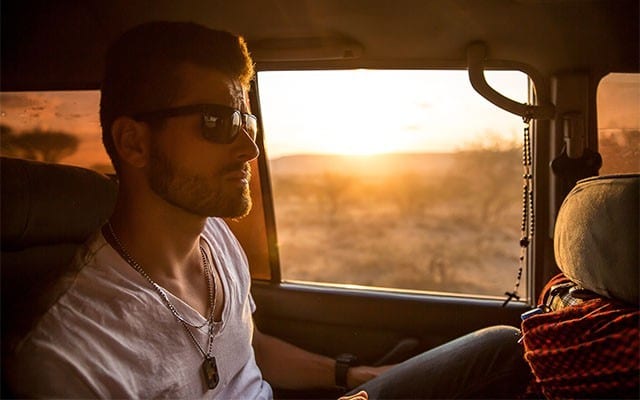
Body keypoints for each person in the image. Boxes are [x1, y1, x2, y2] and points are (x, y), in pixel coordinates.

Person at [6, 21, 531, 399]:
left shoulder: (214, 238)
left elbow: (246, 345)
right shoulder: (68, 357)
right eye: (217, 122)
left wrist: (347, 374)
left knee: (505, 348)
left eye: (246, 122)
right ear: (134, 144)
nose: (249, 150)